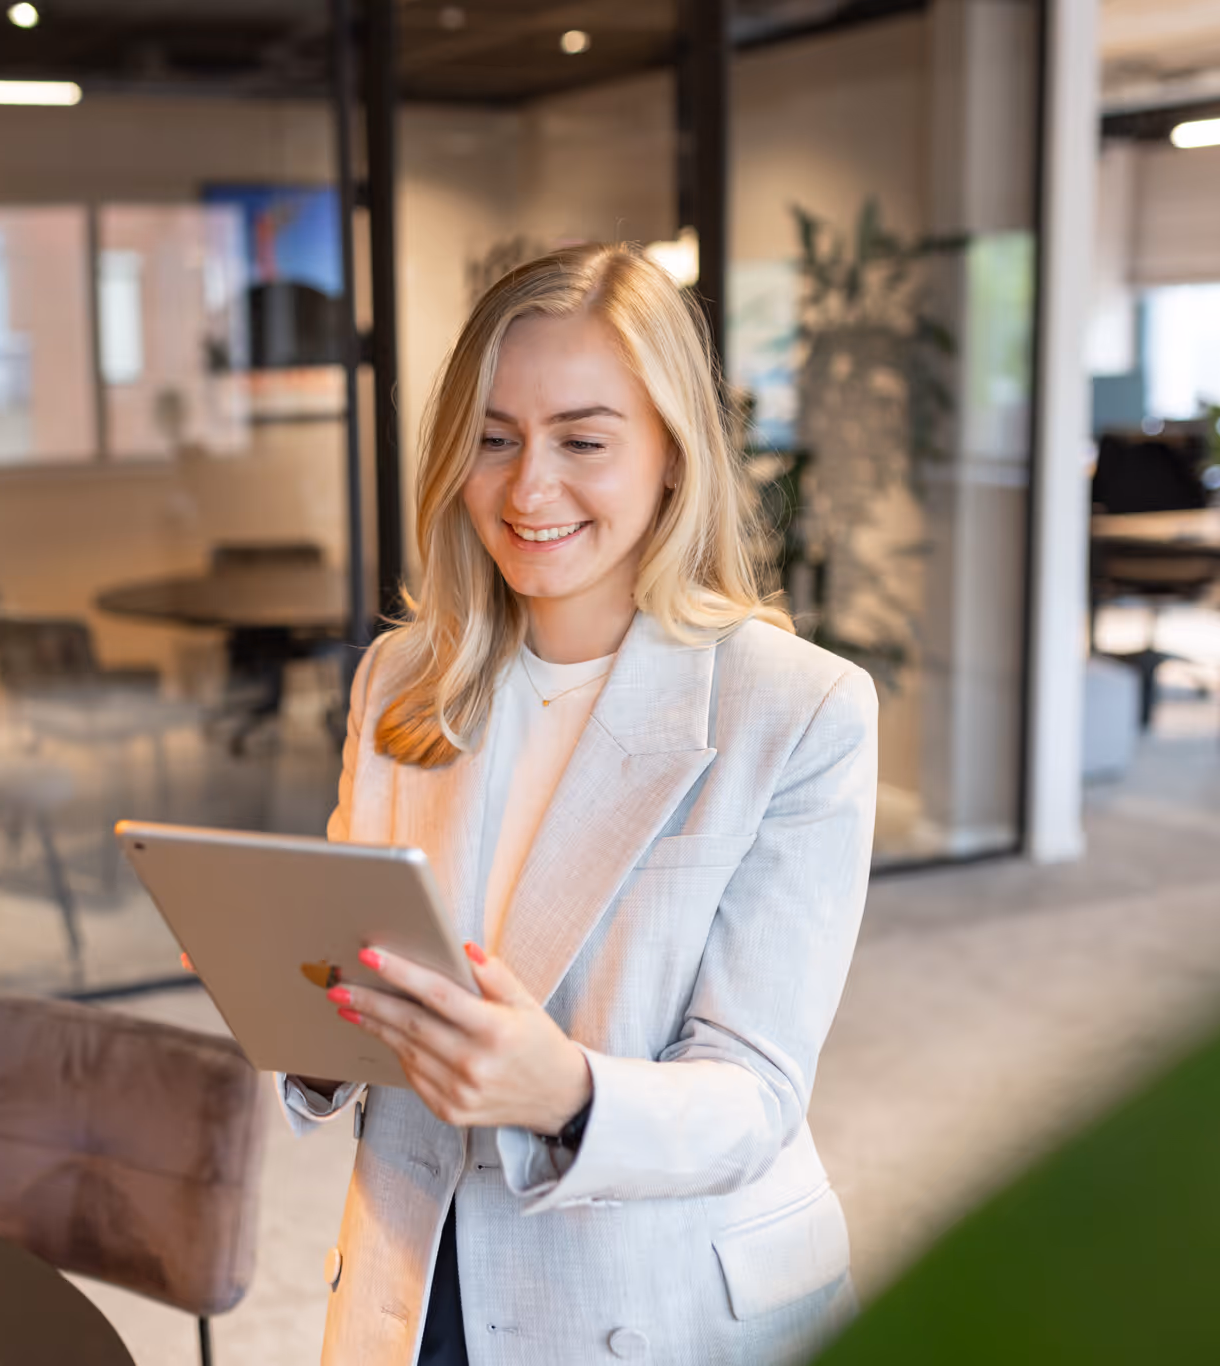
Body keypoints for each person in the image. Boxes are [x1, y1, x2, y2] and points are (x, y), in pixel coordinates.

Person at [282, 242, 877, 1365]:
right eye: (494, 439)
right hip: (419, 1275)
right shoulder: (402, 678)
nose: (528, 487)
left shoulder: (795, 710)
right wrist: (300, 1004)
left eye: (582, 440)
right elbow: (370, 985)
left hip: (654, 1297)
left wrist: (563, 1088)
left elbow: (753, 1096)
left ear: (670, 456)